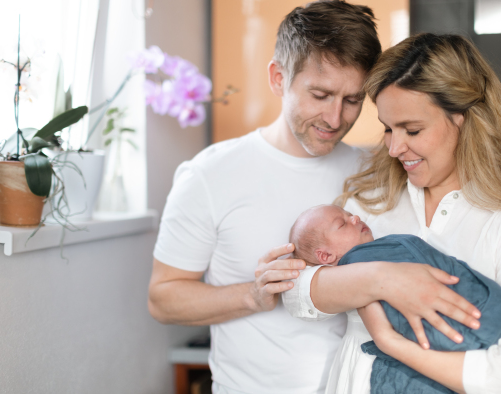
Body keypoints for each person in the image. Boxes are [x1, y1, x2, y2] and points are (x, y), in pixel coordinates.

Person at [148, 2, 480, 393]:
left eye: (353, 100)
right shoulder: (209, 174)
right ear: (277, 77)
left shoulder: (380, 168)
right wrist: (253, 296)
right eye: (320, 94)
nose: (335, 118)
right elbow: (163, 299)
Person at [283, 33, 501, 394]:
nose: (393, 147)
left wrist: (393, 345)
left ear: (464, 119)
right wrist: (381, 278)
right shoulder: (369, 203)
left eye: (412, 129)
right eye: (388, 128)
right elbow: (295, 292)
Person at [287, 204, 501, 393]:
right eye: (343, 223)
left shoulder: (378, 250)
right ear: (325, 256)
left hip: (464, 346)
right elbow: (294, 287)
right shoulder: (358, 259)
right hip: (457, 341)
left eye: (349, 214)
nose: (354, 217)